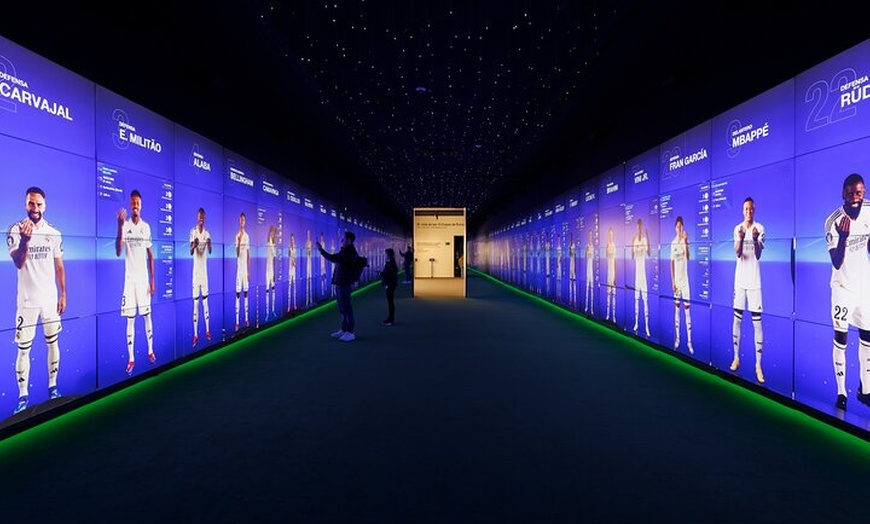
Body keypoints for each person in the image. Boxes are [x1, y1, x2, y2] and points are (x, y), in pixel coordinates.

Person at [8, 186, 66, 415]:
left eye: (39, 204)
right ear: (25, 204)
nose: (35, 208)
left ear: (45, 205)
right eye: (31, 203)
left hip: (50, 300)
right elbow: (18, 262)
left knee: (53, 343)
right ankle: (23, 396)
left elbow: (59, 266)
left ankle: (53, 387)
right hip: (27, 302)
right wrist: (25, 241)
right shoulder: (15, 229)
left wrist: (63, 294)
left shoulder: (54, 232)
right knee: (24, 350)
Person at [826, 174, 870, 410]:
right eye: (851, 193)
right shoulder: (832, 221)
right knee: (841, 338)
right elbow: (836, 261)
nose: (855, 197)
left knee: (868, 337)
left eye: (860, 192)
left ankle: (866, 389)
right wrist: (844, 236)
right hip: (842, 288)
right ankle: (842, 392)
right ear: (843, 193)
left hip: (864, 286)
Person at [116, 189, 156, 375]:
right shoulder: (124, 225)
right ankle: (131, 358)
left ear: (141, 205)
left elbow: (150, 255)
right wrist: (119, 225)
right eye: (133, 203)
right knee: (130, 320)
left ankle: (150, 351)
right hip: (129, 282)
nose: (135, 206)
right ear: (130, 205)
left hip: (143, 281)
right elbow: (118, 251)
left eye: (137, 203)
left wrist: (153, 280)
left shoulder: (146, 227)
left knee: (147, 316)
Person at [732, 196, 765, 384]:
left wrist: (753, 239)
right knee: (737, 320)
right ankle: (736, 357)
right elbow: (737, 252)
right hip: (740, 282)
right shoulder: (737, 228)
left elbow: (759, 255)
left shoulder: (760, 228)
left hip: (754, 282)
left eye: (751, 209)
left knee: (757, 324)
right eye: (746, 209)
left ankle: (758, 365)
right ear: (742, 211)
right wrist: (743, 237)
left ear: (754, 210)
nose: (749, 212)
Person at [317, 230, 359, 342]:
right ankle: (344, 329)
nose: (341, 241)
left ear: (349, 240)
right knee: (342, 308)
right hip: (341, 283)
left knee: (347, 308)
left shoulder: (349, 252)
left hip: (344, 283)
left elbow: (334, 258)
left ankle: (350, 332)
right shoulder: (346, 251)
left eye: (344, 239)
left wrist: (321, 251)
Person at [670, 216, 693, 354]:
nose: (679, 229)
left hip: (685, 282)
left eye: (681, 226)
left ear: (683, 227)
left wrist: (685, 242)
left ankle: (689, 342)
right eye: (677, 226)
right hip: (677, 283)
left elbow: (688, 257)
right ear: (675, 228)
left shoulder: (685, 241)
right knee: (677, 310)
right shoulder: (673, 243)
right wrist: (673, 281)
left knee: (687, 311)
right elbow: (671, 263)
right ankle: (678, 339)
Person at [190, 207, 212, 347]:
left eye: (203, 216)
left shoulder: (207, 233)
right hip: (195, 275)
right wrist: (195, 245)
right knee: (196, 304)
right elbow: (190, 251)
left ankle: (208, 330)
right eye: (199, 216)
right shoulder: (193, 232)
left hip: (204, 275)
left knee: (205, 303)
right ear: (197, 217)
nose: (201, 218)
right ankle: (196, 334)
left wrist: (209, 244)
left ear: (205, 218)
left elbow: (210, 250)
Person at [631, 218, 651, 337]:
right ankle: (637, 323)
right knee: (636, 300)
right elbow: (632, 256)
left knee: (645, 301)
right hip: (636, 276)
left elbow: (648, 253)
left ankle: (647, 327)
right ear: (636, 227)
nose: (639, 229)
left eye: (640, 227)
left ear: (642, 228)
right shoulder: (634, 241)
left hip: (643, 276)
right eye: (637, 227)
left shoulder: (644, 240)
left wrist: (648, 237)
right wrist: (631, 241)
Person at [234, 212, 250, 331]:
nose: (242, 222)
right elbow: (237, 254)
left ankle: (246, 319)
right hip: (239, 271)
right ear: (239, 221)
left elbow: (248, 255)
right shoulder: (237, 236)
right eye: (241, 220)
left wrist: (249, 271)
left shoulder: (247, 236)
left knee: (246, 294)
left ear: (245, 222)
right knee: (238, 295)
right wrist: (239, 242)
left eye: (243, 220)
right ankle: (237, 322)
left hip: (245, 271)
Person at [381, 248, 399, 326]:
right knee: (390, 302)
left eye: (386, 254)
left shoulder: (391, 262)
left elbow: (392, 273)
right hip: (391, 283)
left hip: (390, 284)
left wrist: (384, 274)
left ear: (389, 254)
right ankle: (390, 318)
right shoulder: (391, 261)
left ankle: (391, 320)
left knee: (390, 302)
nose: (385, 255)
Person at [265, 225, 277, 319]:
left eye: (275, 235)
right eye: (273, 235)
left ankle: (273, 310)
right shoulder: (269, 243)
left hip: (272, 271)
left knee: (273, 290)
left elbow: (275, 261)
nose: (273, 236)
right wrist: (270, 230)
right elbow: (268, 236)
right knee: (267, 291)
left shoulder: (275, 248)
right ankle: (267, 312)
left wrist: (274, 274)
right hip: (267, 271)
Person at [605, 226, 616, 322]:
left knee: (614, 295)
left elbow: (615, 261)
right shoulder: (607, 245)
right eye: (609, 234)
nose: (610, 236)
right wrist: (606, 248)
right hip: (608, 273)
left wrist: (615, 275)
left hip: (613, 273)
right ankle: (608, 315)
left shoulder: (615, 246)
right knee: (608, 294)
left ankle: (614, 317)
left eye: (612, 234)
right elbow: (606, 256)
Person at [286, 232, 297, 312]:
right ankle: (289, 306)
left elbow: (295, 257)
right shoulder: (289, 248)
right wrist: (292, 261)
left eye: (293, 239)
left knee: (294, 287)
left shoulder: (295, 247)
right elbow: (289, 256)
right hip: (290, 269)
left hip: (294, 269)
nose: (292, 240)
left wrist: (295, 262)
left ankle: (295, 304)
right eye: (291, 239)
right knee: (289, 287)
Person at [585, 229, 595, 315]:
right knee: (587, 288)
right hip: (587, 269)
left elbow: (594, 258)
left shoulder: (593, 247)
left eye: (591, 235)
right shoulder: (587, 246)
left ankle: (591, 308)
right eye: (589, 235)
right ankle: (586, 306)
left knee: (591, 289)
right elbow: (585, 256)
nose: (590, 237)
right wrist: (586, 250)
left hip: (592, 270)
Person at [305, 229, 313, 306]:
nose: (308, 236)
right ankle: (307, 301)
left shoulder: (310, 243)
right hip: (307, 263)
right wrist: (307, 249)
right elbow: (306, 253)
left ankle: (311, 300)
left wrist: (310, 250)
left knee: (310, 280)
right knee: (307, 280)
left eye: (309, 234)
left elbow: (311, 253)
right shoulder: (306, 243)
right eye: (307, 234)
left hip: (310, 262)